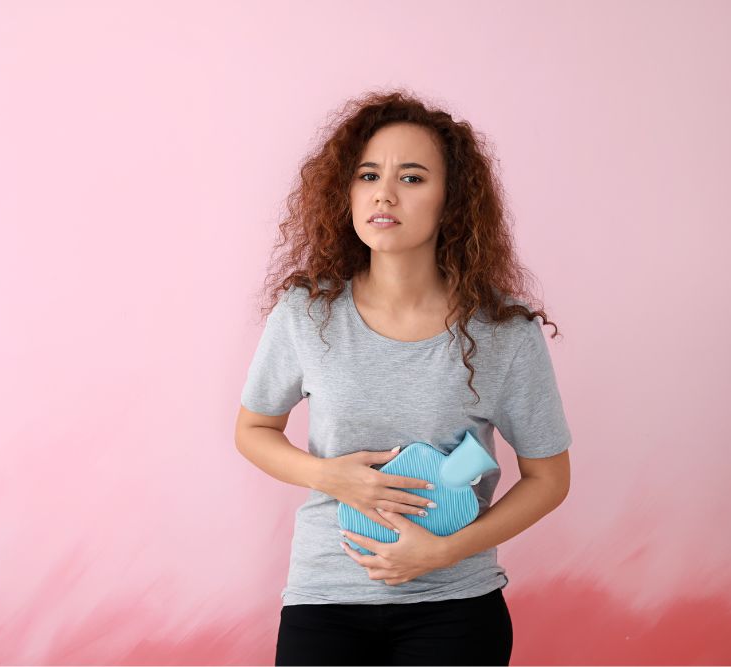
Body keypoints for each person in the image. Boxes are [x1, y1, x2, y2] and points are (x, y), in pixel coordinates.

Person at [234, 89, 573, 667]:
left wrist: (443, 553)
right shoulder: (305, 312)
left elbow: (549, 477)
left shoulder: (503, 332)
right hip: (326, 597)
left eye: (412, 178)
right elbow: (253, 430)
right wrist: (331, 477)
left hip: (455, 603)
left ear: (452, 201)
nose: (384, 193)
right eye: (368, 174)